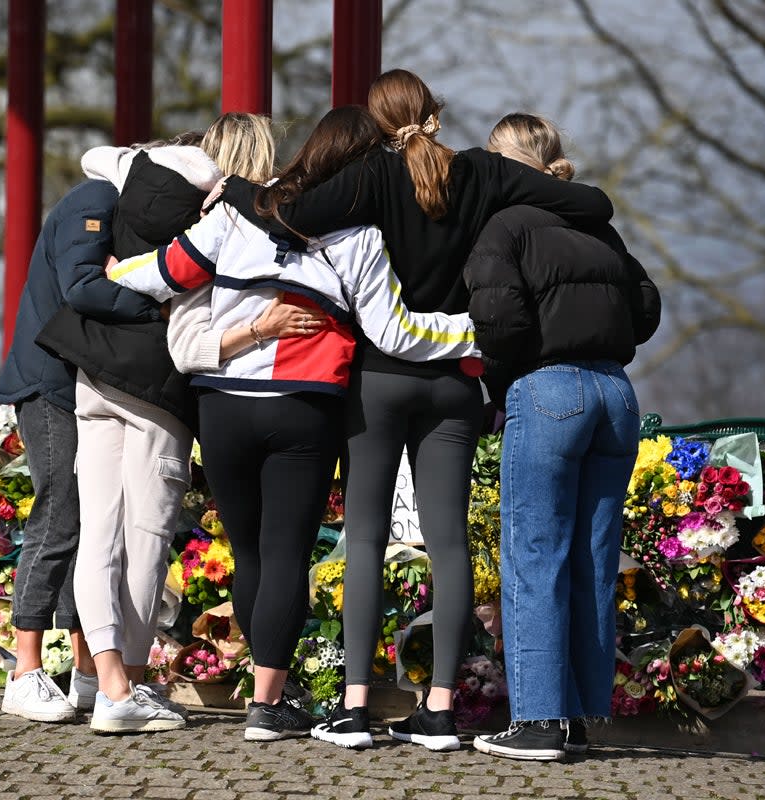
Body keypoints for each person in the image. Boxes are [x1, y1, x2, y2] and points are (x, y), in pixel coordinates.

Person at [219, 69, 615, 752]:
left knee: (367, 539)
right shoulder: (486, 173)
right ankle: (438, 713)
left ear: (377, 125)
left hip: (381, 379)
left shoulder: (371, 176)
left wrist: (229, 187)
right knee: (450, 544)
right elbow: (595, 203)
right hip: (456, 383)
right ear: (438, 113)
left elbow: (281, 212)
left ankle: (356, 708)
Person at [107, 105, 481, 742]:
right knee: (285, 554)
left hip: (221, 403)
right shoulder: (359, 235)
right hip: (303, 405)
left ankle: (264, 692)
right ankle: (267, 702)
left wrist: (109, 271)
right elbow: (390, 331)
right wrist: (474, 334)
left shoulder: (235, 213)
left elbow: (163, 274)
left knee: (250, 552)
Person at [35, 115, 308, 733]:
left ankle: (102, 674)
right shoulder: (221, 220)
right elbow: (193, 338)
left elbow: (95, 157)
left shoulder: (136, 178)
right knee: (147, 540)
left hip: (94, 375)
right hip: (157, 389)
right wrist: (259, 329)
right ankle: (121, 686)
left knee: (98, 533)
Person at [463, 113, 661, 760]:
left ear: (503, 165)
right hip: (616, 394)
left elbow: (496, 319)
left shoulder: (504, 226)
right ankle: (578, 716)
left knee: (534, 555)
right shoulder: (599, 226)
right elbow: (647, 306)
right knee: (593, 562)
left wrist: (501, 380)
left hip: (547, 390)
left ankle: (538, 722)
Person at [0, 177, 147, 723]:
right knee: (58, 518)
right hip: (50, 384)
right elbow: (83, 286)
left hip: (70, 382)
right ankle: (24, 671)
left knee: (87, 526)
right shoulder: (96, 200)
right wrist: (159, 305)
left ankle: (85, 673)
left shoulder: (103, 205)